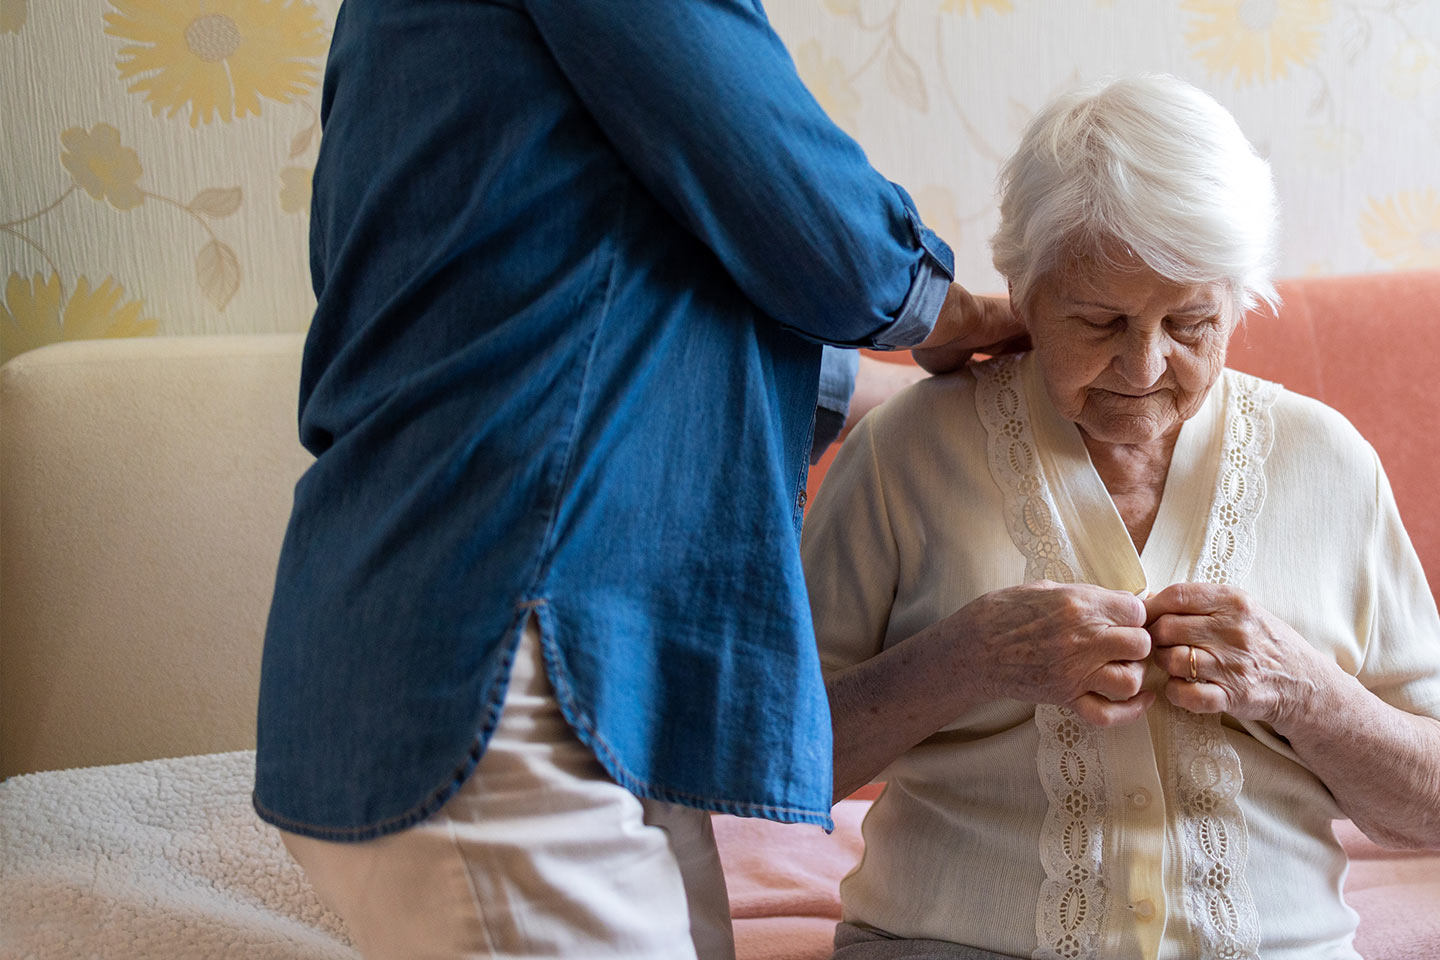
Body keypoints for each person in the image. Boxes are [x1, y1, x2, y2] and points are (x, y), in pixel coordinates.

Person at [250, 1, 1018, 958]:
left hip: (519, 667)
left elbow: (580, 304)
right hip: (510, 667)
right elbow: (794, 202)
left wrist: (979, 397)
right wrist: (954, 312)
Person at [803, 74, 1440, 960]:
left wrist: (1304, 691)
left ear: (1240, 299)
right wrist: (966, 658)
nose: (1144, 365)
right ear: (1023, 293)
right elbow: (778, 762)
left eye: (1190, 322)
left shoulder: (1328, 463)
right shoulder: (903, 453)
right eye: (1099, 321)